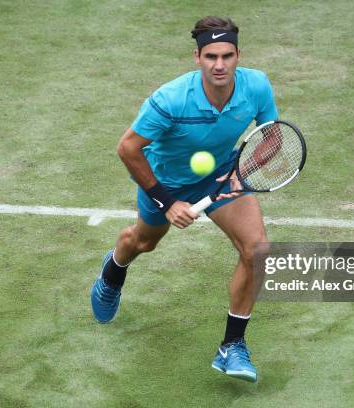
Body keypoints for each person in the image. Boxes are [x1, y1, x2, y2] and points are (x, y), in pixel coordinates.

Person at [91, 16, 278, 383]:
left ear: (238, 55)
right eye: (211, 56)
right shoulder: (171, 99)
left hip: (223, 174)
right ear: (197, 57)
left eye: (227, 55)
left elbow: (272, 136)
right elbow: (128, 148)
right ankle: (113, 272)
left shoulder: (256, 86)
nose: (219, 65)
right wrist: (166, 201)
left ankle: (232, 347)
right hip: (167, 182)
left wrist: (243, 171)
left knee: (257, 250)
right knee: (143, 242)